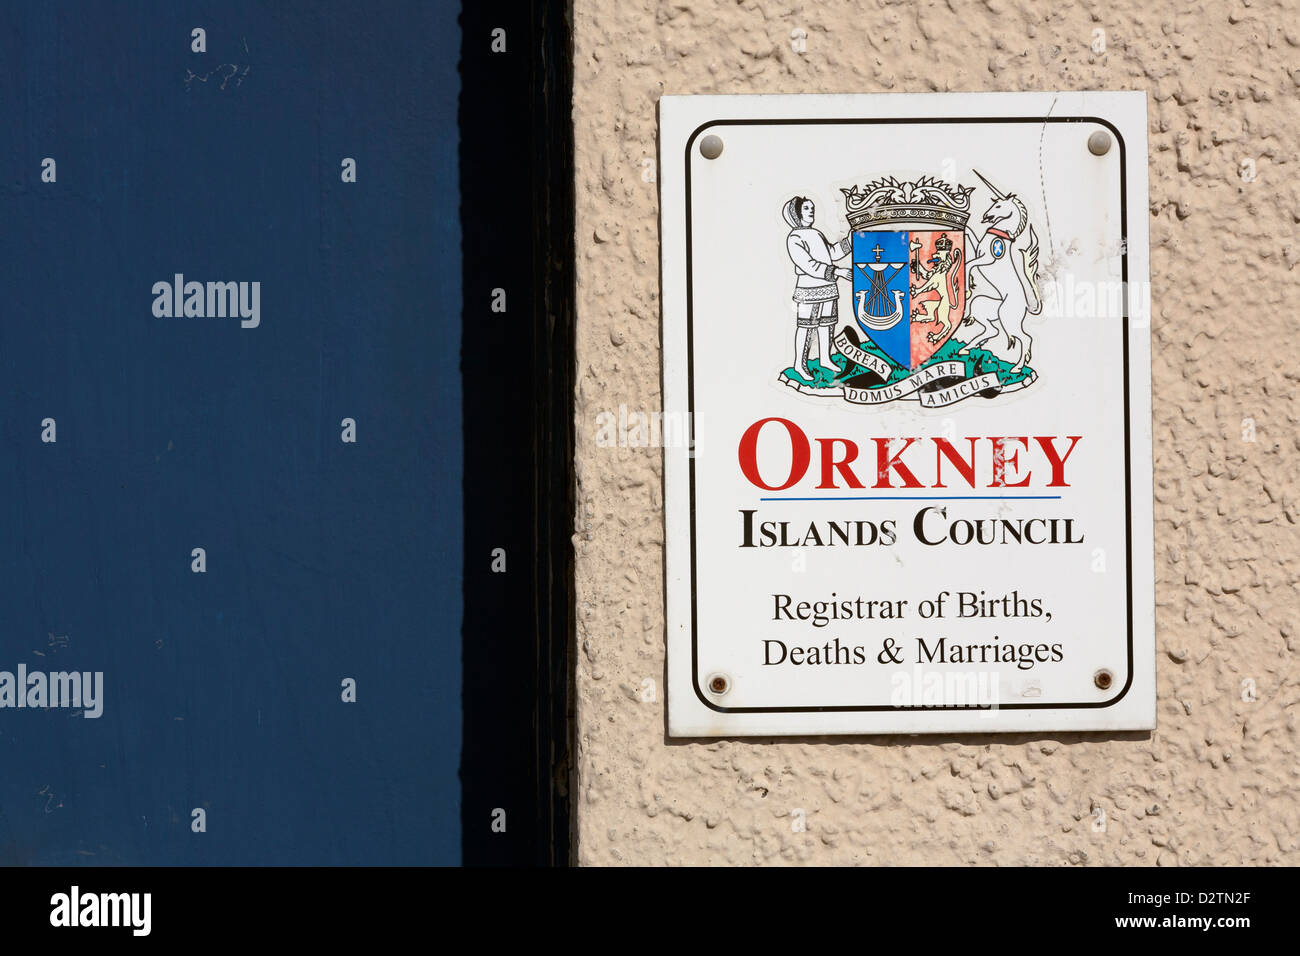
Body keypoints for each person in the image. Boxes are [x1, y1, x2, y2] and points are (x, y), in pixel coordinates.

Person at [783, 196, 852, 382]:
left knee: (827, 324)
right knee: (806, 327)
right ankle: (800, 363)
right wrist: (837, 272)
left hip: (828, 287)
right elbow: (808, 265)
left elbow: (832, 253)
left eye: (811, 207)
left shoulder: (816, 233)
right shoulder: (794, 237)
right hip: (809, 289)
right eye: (806, 208)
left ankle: (825, 358)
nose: (811, 211)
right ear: (796, 212)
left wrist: (849, 241)